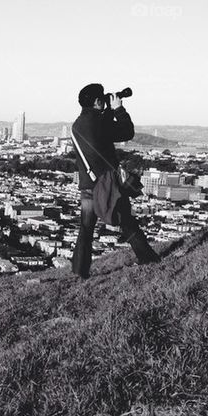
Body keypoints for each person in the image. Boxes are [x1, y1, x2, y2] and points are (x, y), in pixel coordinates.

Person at [70, 83, 159, 279]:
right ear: (96, 101)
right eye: (102, 98)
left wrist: (107, 111)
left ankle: (79, 271)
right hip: (107, 185)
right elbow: (127, 132)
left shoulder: (77, 125)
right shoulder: (100, 122)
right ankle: (148, 259)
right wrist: (118, 108)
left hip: (87, 185)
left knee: (86, 229)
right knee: (126, 222)